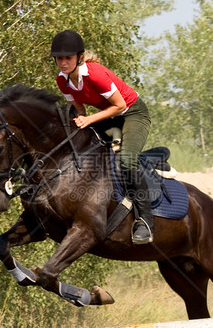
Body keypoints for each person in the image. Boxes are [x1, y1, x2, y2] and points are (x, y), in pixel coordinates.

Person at [49, 29, 154, 244]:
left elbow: (120, 105)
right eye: (59, 58)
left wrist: (89, 120)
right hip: (108, 117)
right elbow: (80, 111)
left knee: (127, 160)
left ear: (79, 57)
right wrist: (79, 122)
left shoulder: (95, 74)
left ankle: (145, 221)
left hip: (132, 113)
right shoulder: (62, 80)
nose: (62, 62)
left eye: (67, 58)